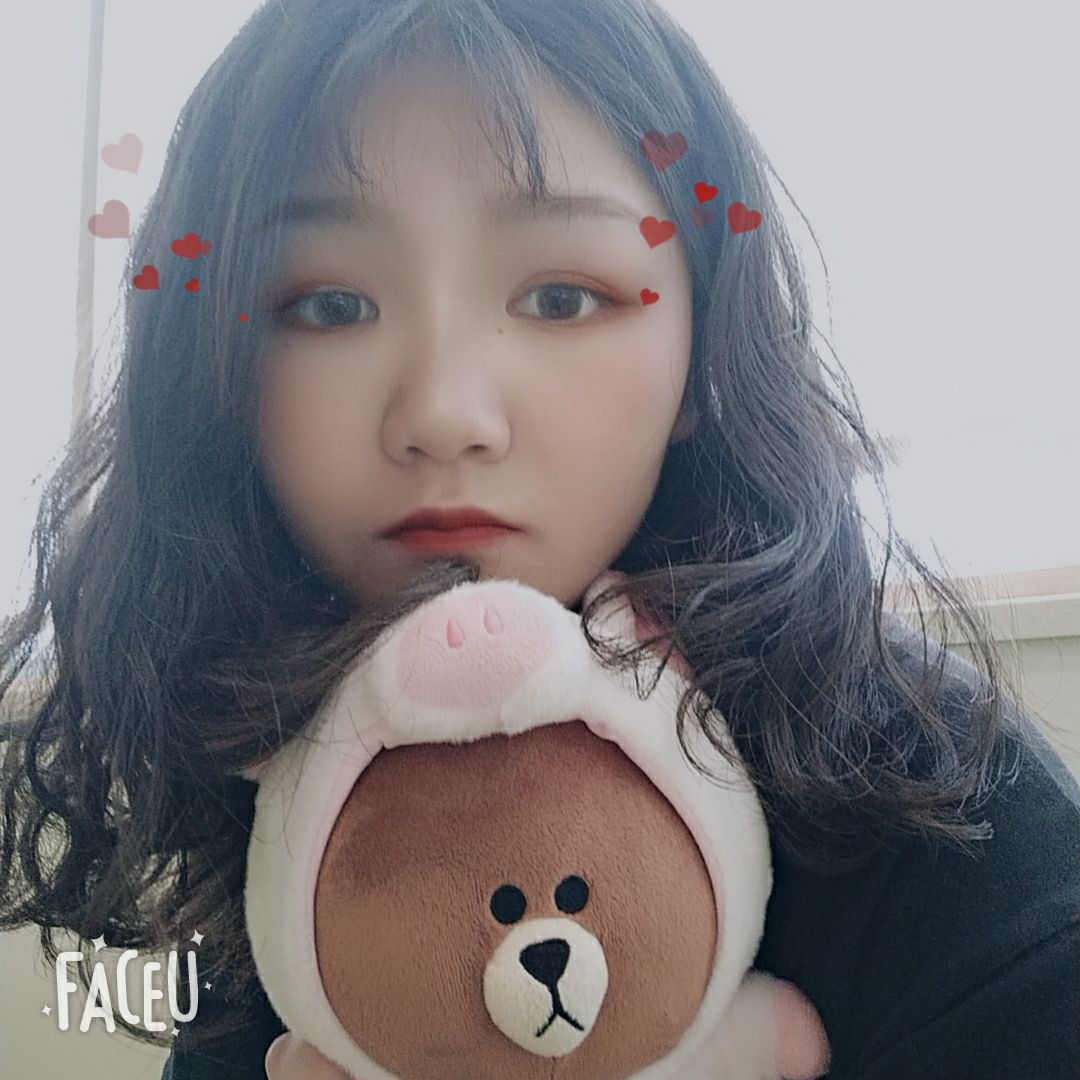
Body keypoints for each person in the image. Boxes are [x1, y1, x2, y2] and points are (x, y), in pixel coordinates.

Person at [1, 1, 1077, 1078]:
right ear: (214, 380)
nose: (445, 413)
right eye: (328, 305)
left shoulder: (946, 817)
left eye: (562, 296)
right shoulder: (275, 798)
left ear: (703, 346)